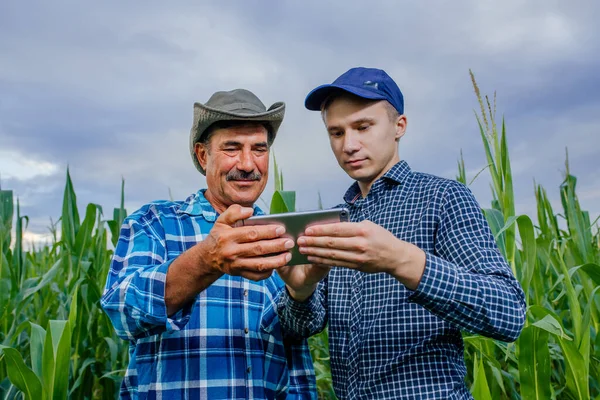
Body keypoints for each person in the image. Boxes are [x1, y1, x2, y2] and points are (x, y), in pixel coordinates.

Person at [276, 67, 526, 399]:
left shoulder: (442, 199)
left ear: (399, 126)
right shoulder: (335, 223)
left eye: (363, 127)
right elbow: (300, 328)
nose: (349, 145)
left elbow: (508, 313)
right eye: (336, 133)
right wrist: (300, 291)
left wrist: (403, 261)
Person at [101, 89, 317, 399]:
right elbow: (121, 312)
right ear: (204, 156)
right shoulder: (155, 222)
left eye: (259, 148)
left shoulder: (284, 234)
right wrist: (205, 260)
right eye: (232, 148)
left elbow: (301, 332)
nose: (247, 163)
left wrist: (301, 291)